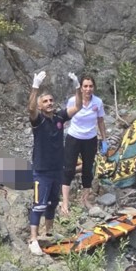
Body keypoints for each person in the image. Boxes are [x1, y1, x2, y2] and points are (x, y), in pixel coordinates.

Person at [27, 70, 82, 256]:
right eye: (45, 101)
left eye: (51, 100)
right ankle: (33, 239)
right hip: (41, 170)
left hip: (57, 169)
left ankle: (49, 233)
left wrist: (77, 87)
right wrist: (35, 86)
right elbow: (30, 110)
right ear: (40, 106)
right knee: (39, 204)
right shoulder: (38, 121)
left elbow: (78, 106)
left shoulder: (59, 117)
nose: (49, 103)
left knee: (52, 203)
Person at [61, 72, 108, 215]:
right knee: (69, 169)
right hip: (74, 137)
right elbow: (65, 118)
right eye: (85, 86)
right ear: (81, 87)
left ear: (94, 87)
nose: (88, 89)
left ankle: (85, 199)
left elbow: (100, 121)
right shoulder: (73, 101)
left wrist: (104, 140)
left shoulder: (98, 102)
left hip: (90, 139)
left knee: (88, 169)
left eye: (90, 86)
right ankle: (65, 202)